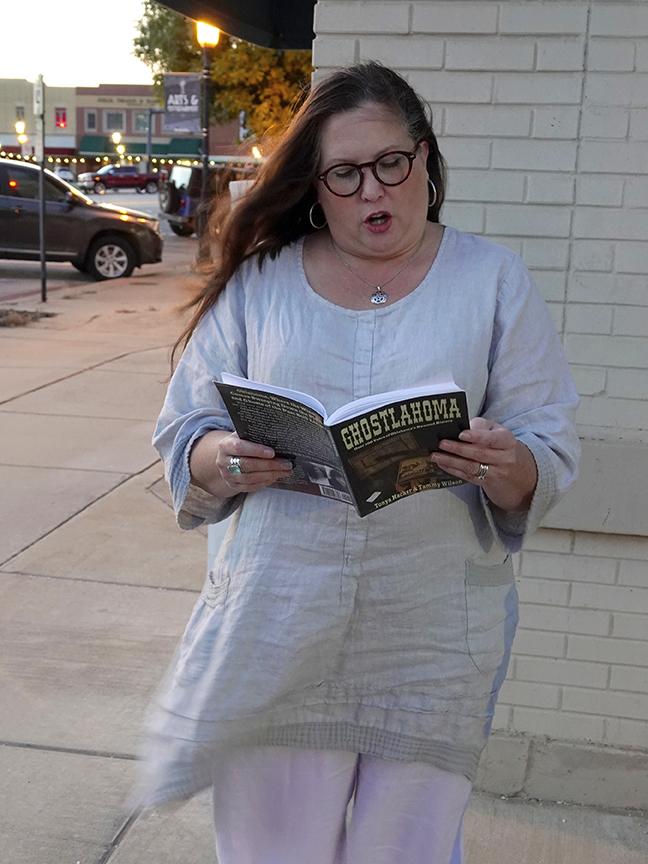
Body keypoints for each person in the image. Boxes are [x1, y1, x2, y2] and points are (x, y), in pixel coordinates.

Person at [136, 63, 580, 864]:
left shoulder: (493, 281)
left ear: (425, 160)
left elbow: (547, 448)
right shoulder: (261, 283)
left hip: (433, 642)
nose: (373, 190)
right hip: (278, 629)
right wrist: (221, 459)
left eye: (390, 163)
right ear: (317, 185)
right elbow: (184, 430)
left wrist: (506, 461)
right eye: (345, 173)